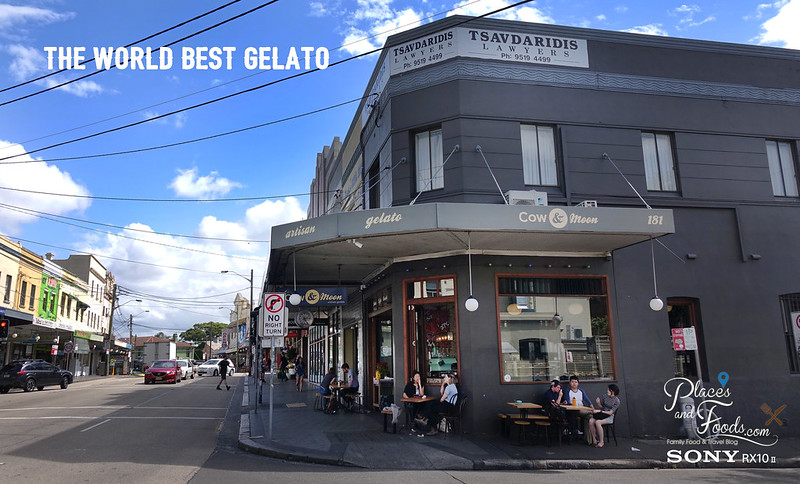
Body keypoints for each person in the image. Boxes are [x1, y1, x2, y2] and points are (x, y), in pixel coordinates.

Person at [589, 384, 621, 448]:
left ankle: (601, 442)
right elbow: (602, 407)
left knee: (598, 422)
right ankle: (594, 440)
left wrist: (599, 411)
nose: (607, 391)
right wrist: (598, 403)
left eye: (609, 390)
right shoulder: (605, 396)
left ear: (613, 391)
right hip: (602, 415)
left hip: (609, 416)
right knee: (591, 421)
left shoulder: (617, 401)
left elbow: (610, 413)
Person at [565, 375, 594, 440]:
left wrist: (591, 406)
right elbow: (566, 401)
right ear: (570, 383)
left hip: (582, 409)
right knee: (590, 414)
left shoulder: (581, 391)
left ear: (578, 383)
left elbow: (587, 400)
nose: (574, 383)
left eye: (576, 382)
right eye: (572, 382)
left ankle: (590, 438)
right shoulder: (567, 391)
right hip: (573, 410)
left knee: (591, 418)